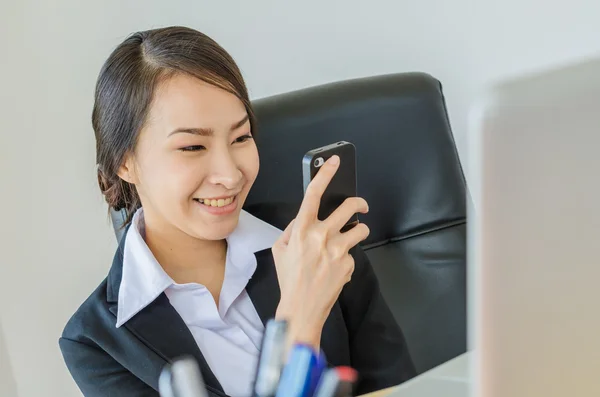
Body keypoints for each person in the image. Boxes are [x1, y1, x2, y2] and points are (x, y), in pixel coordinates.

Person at [59, 26, 416, 397]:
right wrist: (297, 323)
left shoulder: (314, 239)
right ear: (125, 162)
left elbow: (406, 389)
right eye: (193, 147)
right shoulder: (97, 344)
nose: (230, 175)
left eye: (241, 138)